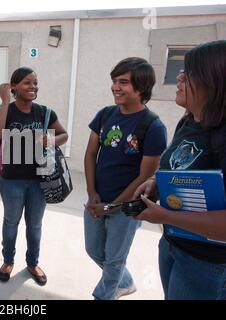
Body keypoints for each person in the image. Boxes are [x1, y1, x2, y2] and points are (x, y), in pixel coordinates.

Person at [133, 40, 226, 300]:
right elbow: (177, 168)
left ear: (215, 81)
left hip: (209, 264)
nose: (179, 78)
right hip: (174, 245)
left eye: (190, 73)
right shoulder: (189, 122)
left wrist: (166, 216)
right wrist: (154, 182)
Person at [84, 57, 167, 300]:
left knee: (113, 260)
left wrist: (112, 206)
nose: (115, 87)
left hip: (127, 208)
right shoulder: (106, 115)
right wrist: (92, 193)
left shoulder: (153, 127)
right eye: (114, 81)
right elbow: (90, 154)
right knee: (93, 250)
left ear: (141, 88)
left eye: (123, 82)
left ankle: (105, 295)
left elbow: (145, 176)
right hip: (96, 199)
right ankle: (126, 282)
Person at [0, 67, 68, 286]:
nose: (33, 87)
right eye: (27, 83)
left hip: (39, 180)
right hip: (11, 180)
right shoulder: (4, 110)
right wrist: (5, 102)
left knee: (34, 225)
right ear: (13, 87)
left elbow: (64, 135)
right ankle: (8, 261)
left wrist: (51, 140)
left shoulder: (44, 112)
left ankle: (32, 263)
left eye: (35, 83)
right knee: (11, 222)